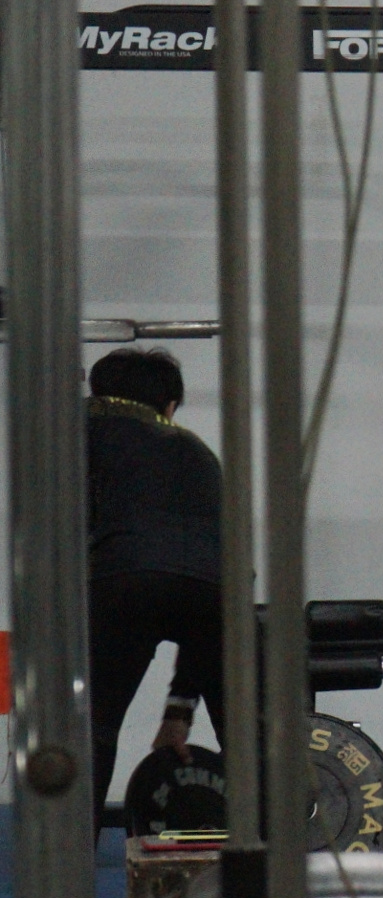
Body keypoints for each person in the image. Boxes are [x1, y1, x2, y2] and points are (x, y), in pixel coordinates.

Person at [85, 347, 226, 839]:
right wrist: (178, 711)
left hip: (125, 580)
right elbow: (204, 580)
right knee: (246, 741)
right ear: (169, 407)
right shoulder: (199, 452)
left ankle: (73, 866)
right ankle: (275, 863)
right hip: (219, 591)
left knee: (94, 728)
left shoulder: (80, 434)